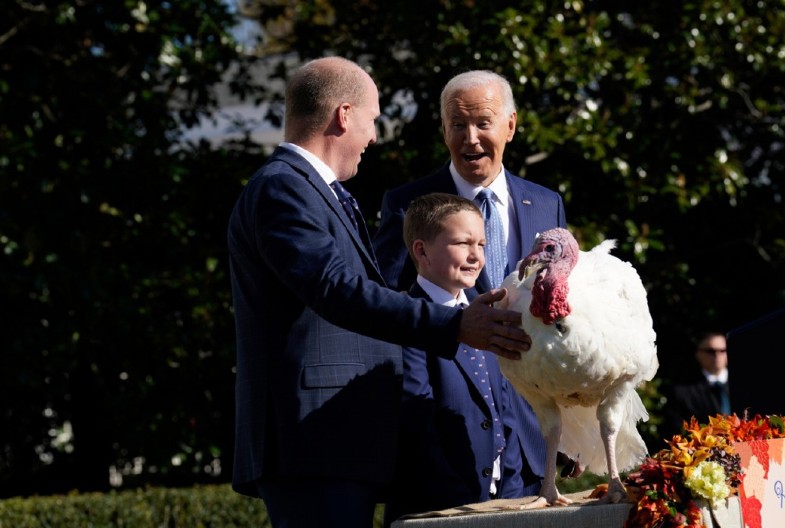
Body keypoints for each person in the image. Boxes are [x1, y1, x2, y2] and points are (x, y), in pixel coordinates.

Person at [226, 57, 532, 528]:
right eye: (372, 120)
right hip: (314, 443)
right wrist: (454, 322)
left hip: (336, 443)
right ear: (343, 116)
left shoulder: (313, 191)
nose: (373, 137)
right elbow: (336, 289)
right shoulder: (282, 188)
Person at [372, 69, 570, 498]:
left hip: (536, 446)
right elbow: (384, 308)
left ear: (510, 126)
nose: (471, 137)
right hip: (447, 447)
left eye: (483, 122)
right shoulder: (407, 204)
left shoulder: (547, 203)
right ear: (443, 129)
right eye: (458, 124)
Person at [383, 193, 538, 526]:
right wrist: (461, 508)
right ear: (421, 251)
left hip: (501, 508)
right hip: (436, 510)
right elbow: (416, 424)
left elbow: (505, 413)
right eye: (462, 243)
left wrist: (509, 497)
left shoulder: (485, 317)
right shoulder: (405, 323)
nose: (475, 256)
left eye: (481, 244)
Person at [663, 331, 731, 435]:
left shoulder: (745, 384)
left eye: (722, 350)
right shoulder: (682, 392)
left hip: (746, 448)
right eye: (710, 351)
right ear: (698, 354)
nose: (717, 355)